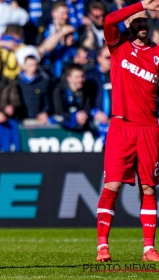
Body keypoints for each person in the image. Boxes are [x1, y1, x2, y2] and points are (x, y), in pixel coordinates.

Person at [96, 0, 159, 263]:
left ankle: (148, 249)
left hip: (149, 128)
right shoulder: (118, 46)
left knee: (149, 189)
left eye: (145, 19)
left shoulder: (157, 53)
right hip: (121, 126)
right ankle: (102, 246)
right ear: (128, 24)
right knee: (112, 185)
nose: (142, 24)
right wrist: (141, 4)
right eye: (137, 20)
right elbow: (108, 21)